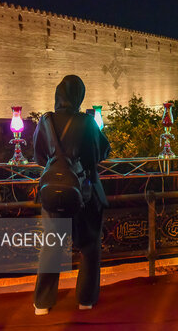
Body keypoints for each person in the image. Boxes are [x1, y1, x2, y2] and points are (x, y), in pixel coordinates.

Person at [32, 75, 111, 315]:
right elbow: (100, 153)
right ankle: (85, 299)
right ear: (79, 97)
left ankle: (43, 303)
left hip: (53, 191)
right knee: (88, 245)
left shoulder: (45, 121)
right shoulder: (86, 122)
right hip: (84, 191)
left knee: (51, 246)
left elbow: (38, 157)